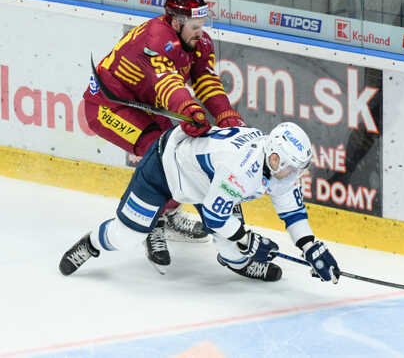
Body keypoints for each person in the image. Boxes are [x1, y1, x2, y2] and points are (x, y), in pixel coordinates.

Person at [83, 0, 245, 273]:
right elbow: (167, 83)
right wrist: (189, 110)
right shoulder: (156, 40)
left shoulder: (199, 42)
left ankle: (167, 213)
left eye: (202, 25)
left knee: (178, 154)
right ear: (176, 22)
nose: (201, 32)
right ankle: (152, 225)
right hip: (108, 107)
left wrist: (224, 114)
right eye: (195, 26)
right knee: (159, 154)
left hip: (143, 106)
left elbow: (205, 79)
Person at [59, 122, 340, 284]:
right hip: (166, 169)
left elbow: (292, 211)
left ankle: (238, 264)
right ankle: (93, 242)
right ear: (275, 157)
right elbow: (214, 218)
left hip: (208, 185)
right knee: (126, 236)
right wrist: (250, 239)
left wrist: (311, 246)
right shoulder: (241, 167)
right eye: (292, 167)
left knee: (234, 245)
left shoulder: (276, 166)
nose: (294, 175)